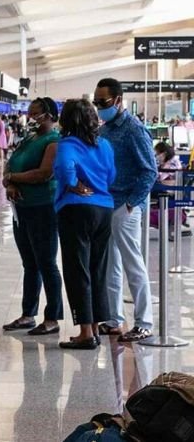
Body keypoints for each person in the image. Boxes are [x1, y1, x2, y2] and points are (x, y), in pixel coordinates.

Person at [95, 78, 157, 342]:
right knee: (112, 264)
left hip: (126, 206)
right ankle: (113, 318)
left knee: (133, 264)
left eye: (103, 102)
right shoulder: (105, 129)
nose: (99, 107)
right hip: (108, 202)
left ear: (118, 100)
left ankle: (144, 322)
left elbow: (149, 171)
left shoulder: (133, 129)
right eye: (96, 102)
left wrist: (132, 203)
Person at [53, 99, 116, 349]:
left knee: (77, 268)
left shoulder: (67, 144)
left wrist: (72, 183)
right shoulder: (105, 145)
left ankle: (85, 333)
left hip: (75, 209)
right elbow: (111, 175)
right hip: (104, 209)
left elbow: (63, 167)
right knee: (97, 268)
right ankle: (96, 327)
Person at [2, 97, 63, 335]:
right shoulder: (29, 138)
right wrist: (9, 182)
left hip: (43, 207)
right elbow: (10, 165)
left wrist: (13, 179)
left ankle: (53, 317)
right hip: (22, 208)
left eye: (35, 113)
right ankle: (28, 313)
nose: (30, 117)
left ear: (48, 115)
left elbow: (44, 174)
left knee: (47, 262)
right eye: (29, 112)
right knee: (30, 263)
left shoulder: (54, 141)